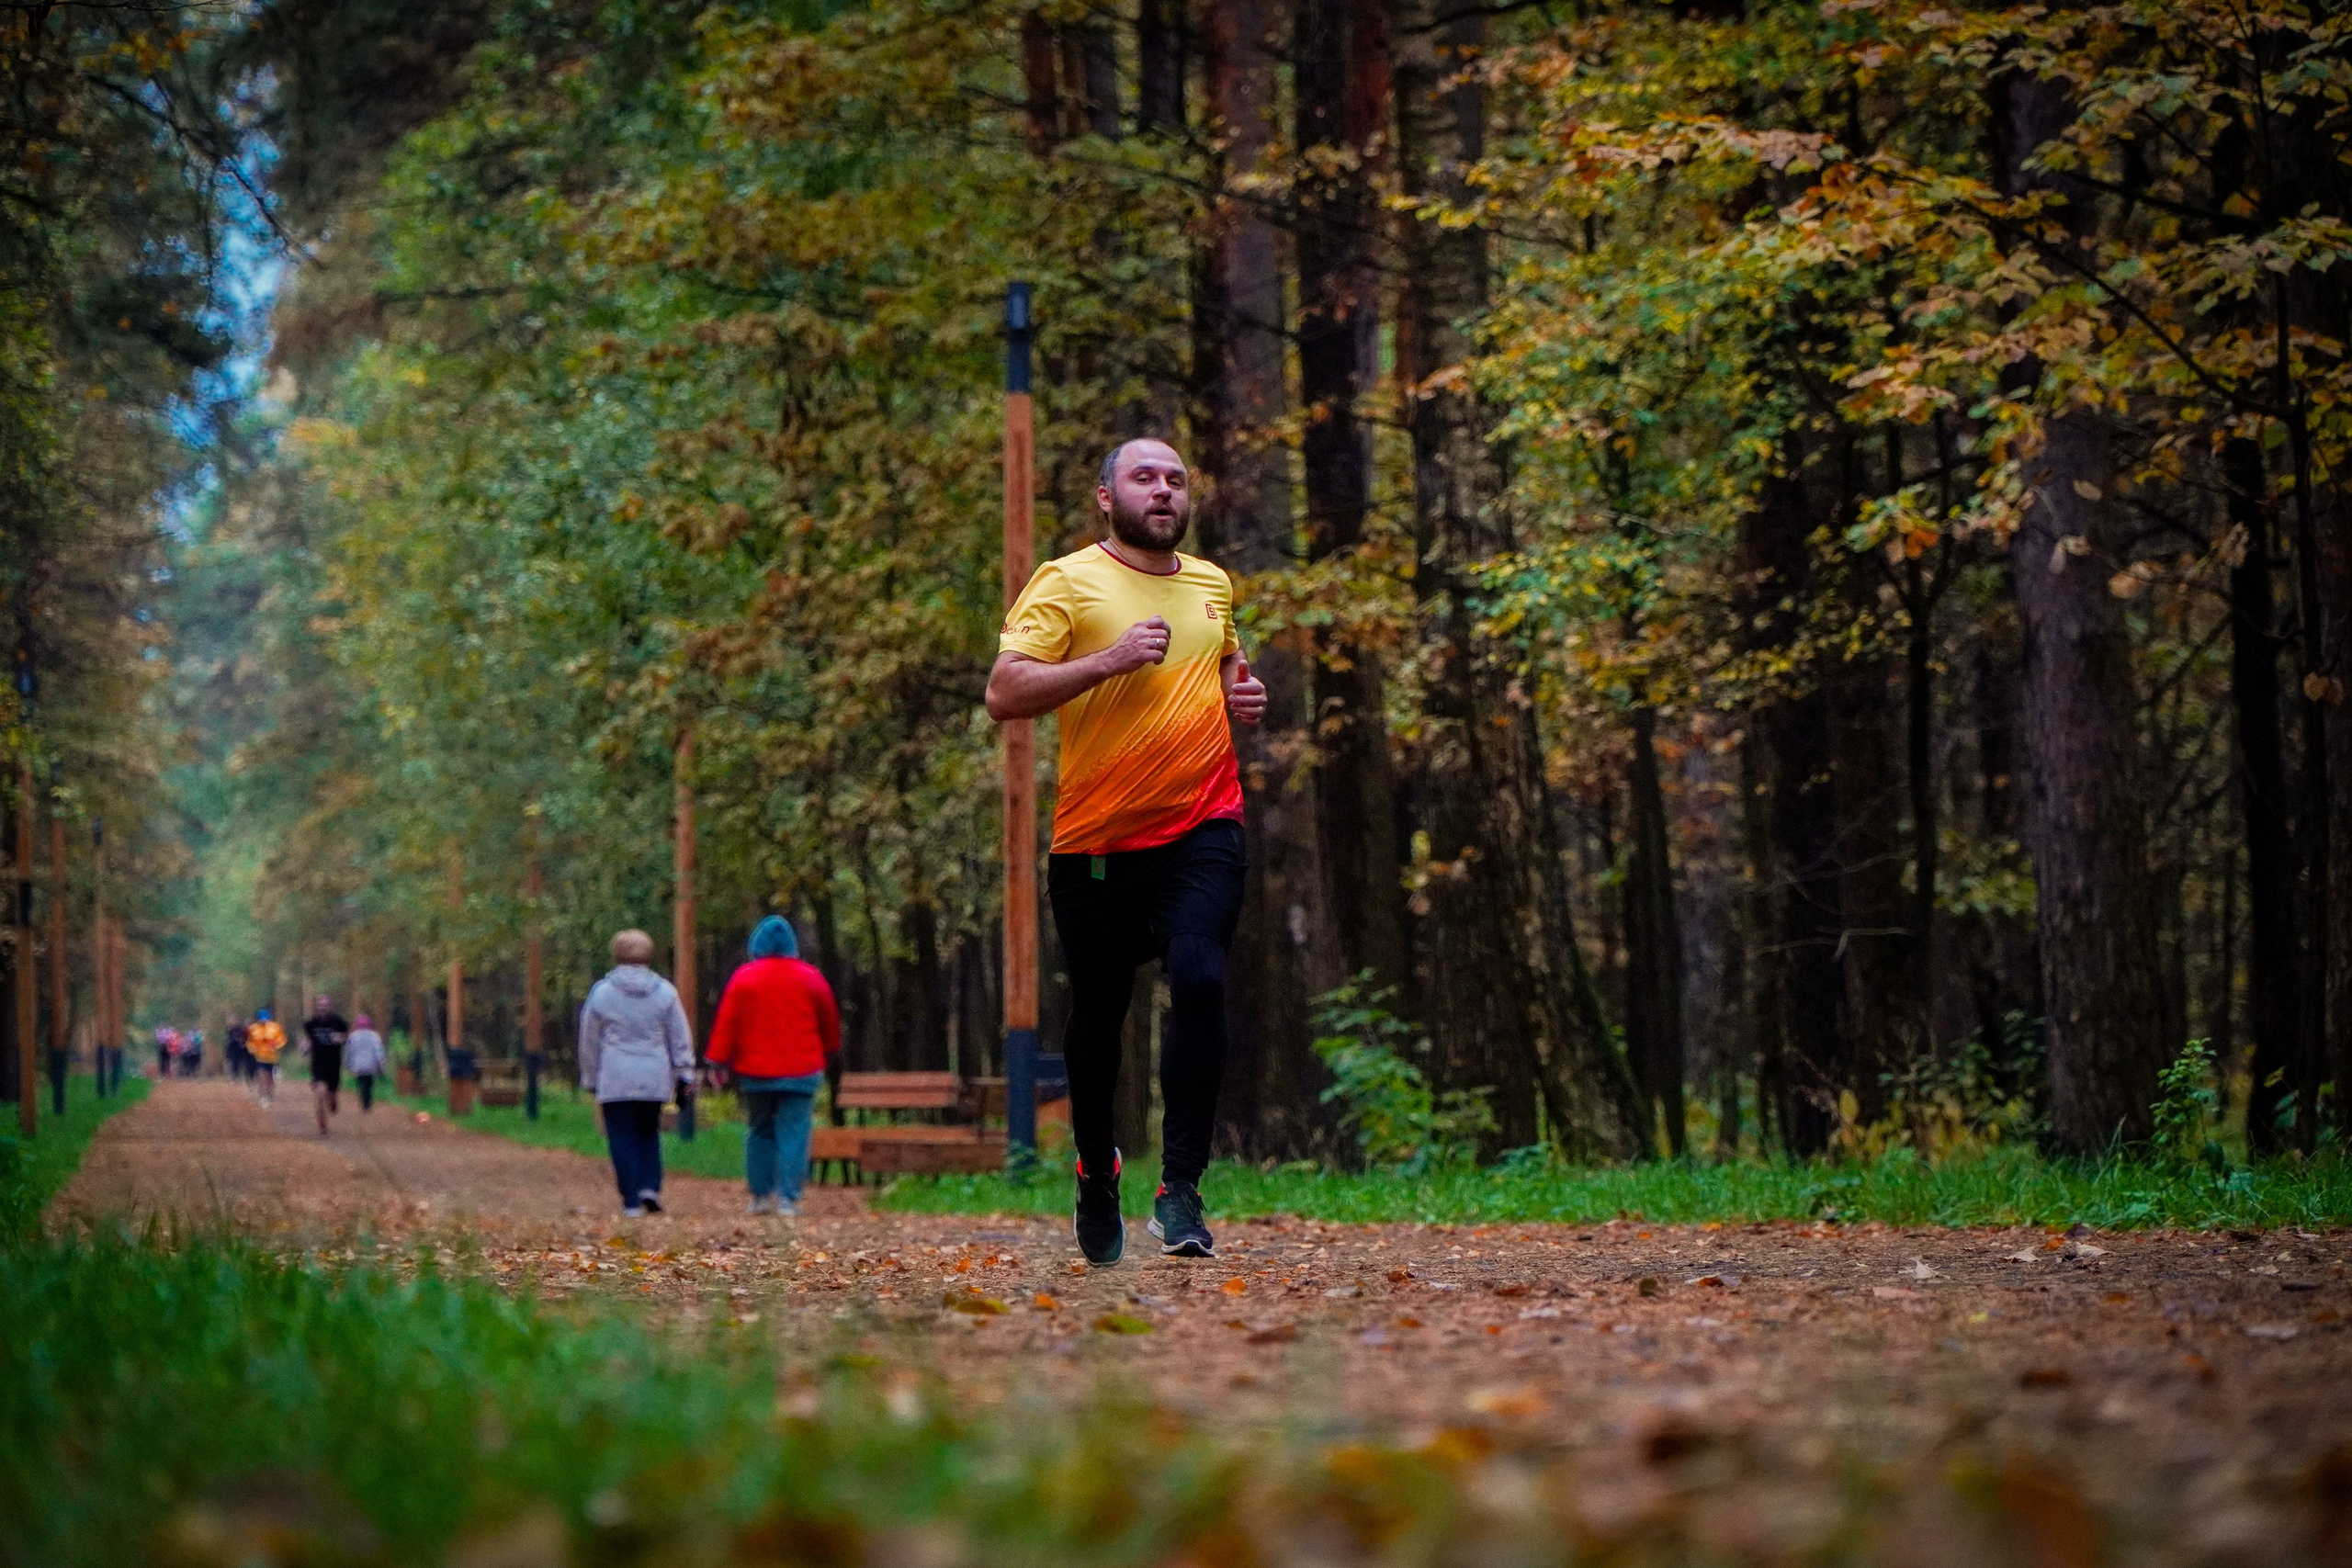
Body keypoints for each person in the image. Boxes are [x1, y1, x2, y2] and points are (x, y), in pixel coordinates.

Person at [985, 438, 1264, 1264]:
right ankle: (1095, 1170)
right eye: (1145, 478)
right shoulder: (1068, 579)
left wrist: (1238, 694)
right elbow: (1004, 691)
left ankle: (1180, 1190)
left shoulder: (1212, 583)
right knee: (1099, 1020)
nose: (1165, 491)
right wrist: (1105, 660)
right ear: (1106, 496)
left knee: (1203, 977)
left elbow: (1222, 671)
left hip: (1202, 824)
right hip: (1098, 841)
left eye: (1177, 480)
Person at [706, 916, 840, 1217]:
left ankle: (761, 1196)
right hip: (802, 1068)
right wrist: (828, 1050)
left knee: (760, 1130)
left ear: (757, 944)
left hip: (756, 1071)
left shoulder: (744, 977)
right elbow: (828, 1020)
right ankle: (789, 1198)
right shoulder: (810, 977)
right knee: (795, 1131)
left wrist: (718, 1061)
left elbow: (728, 1023)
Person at [578, 929, 695, 1218]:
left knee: (620, 1135)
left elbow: (589, 1039)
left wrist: (590, 1076)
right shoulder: (665, 993)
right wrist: (684, 1071)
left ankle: (630, 1199)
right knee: (648, 1131)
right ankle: (649, 1186)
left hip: (615, 1076)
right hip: (653, 1075)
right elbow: (679, 1035)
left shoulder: (602, 993)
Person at [303, 994, 349, 1135]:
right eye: (320, 1005)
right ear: (317, 1006)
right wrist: (305, 1047)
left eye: (325, 1005)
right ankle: (322, 1123)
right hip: (318, 1062)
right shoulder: (311, 1023)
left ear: (329, 1006)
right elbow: (308, 1040)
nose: (323, 1007)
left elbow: (347, 1036)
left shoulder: (338, 1021)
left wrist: (339, 1038)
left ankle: (333, 1099)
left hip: (334, 1062)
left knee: (331, 1094)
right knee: (320, 1093)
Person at [345, 1014, 387, 1111]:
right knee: (369, 1083)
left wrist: (348, 1063)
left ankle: (364, 1100)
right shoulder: (374, 1036)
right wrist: (381, 1062)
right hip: (370, 1064)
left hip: (358, 1065)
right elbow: (379, 1050)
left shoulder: (353, 1036)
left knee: (361, 1083)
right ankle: (367, 1102)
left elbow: (349, 1051)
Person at [246, 1008, 286, 1106]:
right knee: (261, 1075)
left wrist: (276, 1045)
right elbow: (250, 1042)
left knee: (269, 1077)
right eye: (261, 1018)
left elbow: (282, 1040)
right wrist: (252, 1048)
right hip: (259, 1057)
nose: (263, 1021)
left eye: (265, 1018)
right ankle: (263, 1096)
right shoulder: (253, 1029)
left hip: (272, 1057)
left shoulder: (275, 1027)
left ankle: (269, 1092)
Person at [226, 1015, 251, 1082]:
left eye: (235, 1020)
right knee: (233, 1062)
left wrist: (242, 1042)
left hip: (239, 1049)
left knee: (240, 1062)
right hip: (232, 1049)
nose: (234, 1022)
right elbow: (229, 1039)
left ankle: (240, 1075)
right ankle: (234, 1075)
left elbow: (243, 1039)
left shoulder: (240, 1029)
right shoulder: (230, 1030)